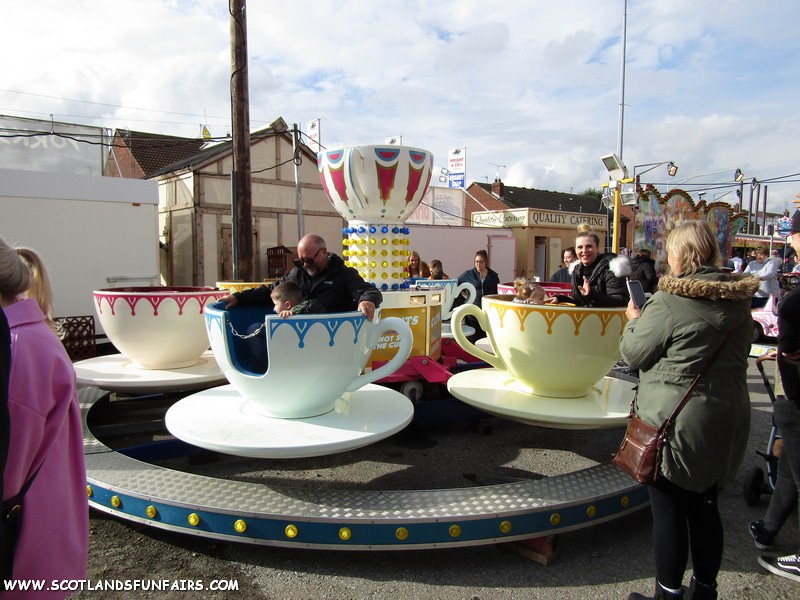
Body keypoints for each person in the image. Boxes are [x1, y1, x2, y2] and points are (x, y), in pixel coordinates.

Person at [620, 220, 759, 600]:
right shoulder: (739, 303)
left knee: (669, 512)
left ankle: (668, 594)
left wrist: (635, 321)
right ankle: (705, 591)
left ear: (681, 255)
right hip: (728, 419)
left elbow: (632, 354)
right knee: (706, 506)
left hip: (677, 424)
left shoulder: (668, 302)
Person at [0, 237, 88, 588]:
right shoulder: (31, 336)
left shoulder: (16, 348)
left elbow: (9, 468)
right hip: (46, 529)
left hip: (23, 547)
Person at [222, 234, 382, 369]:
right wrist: (238, 297)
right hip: (294, 332)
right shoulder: (297, 274)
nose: (305, 265)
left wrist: (367, 301)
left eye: (309, 261)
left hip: (326, 338)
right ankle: (277, 372)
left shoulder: (344, 275)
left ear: (323, 252)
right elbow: (270, 291)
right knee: (254, 330)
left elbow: (370, 291)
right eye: (300, 261)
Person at [751, 210, 800, 583]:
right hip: (791, 391)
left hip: (796, 396)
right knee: (788, 467)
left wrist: (786, 352)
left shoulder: (794, 302)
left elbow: (794, 346)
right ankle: (769, 527)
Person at [568, 224, 630, 307]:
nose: (584, 251)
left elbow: (620, 301)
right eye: (580, 247)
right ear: (575, 250)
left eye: (589, 246)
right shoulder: (576, 270)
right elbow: (579, 301)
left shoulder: (611, 268)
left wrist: (591, 294)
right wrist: (560, 299)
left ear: (597, 248)